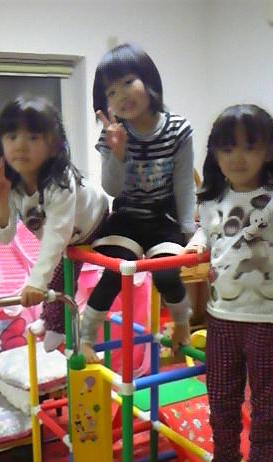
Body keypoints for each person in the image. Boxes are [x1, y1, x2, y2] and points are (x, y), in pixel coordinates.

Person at [183, 104, 273, 462]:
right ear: (215, 154)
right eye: (227, 149)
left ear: (269, 150)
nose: (236, 158)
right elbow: (207, 235)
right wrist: (195, 246)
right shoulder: (213, 198)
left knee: (266, 408)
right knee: (221, 399)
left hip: (268, 322)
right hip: (222, 318)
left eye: (248, 147)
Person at [80, 42, 196, 363]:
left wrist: (188, 230)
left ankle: (182, 324)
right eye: (111, 92)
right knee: (115, 272)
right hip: (126, 218)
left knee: (167, 275)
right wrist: (117, 153)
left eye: (128, 82)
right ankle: (85, 338)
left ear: (149, 80)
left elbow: (184, 182)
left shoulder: (177, 129)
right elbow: (111, 188)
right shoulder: (112, 133)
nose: (121, 95)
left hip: (162, 219)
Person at [0, 95, 108, 352]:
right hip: (70, 235)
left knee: (59, 273)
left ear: (53, 146)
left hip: (95, 221)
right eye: (11, 136)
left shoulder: (60, 181)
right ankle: (50, 318)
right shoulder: (13, 185)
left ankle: (58, 326)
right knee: (58, 272)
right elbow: (4, 237)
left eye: (33, 137)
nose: (20, 146)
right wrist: (0, 198)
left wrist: (36, 283)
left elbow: (56, 235)